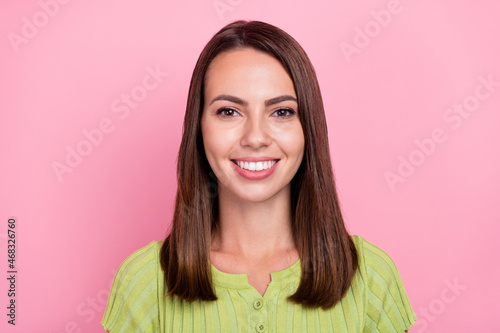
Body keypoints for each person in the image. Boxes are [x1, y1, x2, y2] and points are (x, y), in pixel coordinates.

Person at [101, 20, 417, 332]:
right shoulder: (145, 282)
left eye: (281, 112)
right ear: (199, 129)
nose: (255, 137)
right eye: (229, 111)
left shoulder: (371, 277)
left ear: (308, 130)